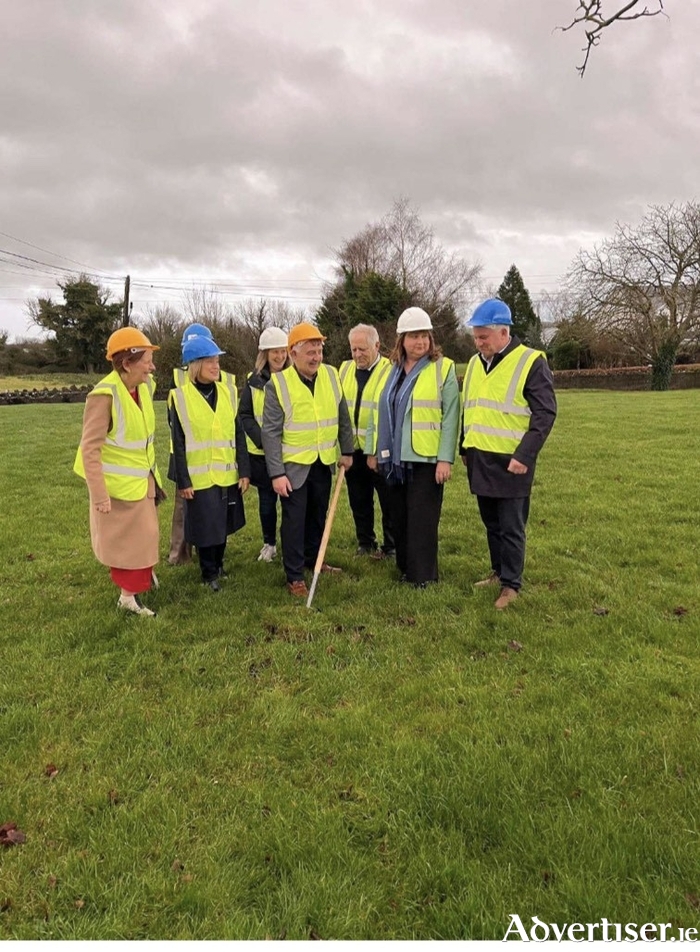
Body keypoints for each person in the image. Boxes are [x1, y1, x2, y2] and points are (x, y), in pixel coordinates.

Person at [460, 298, 557, 610]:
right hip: (480, 457)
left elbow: (545, 414)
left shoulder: (531, 362)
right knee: (491, 523)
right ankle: (498, 571)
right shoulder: (476, 362)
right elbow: (470, 407)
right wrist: (465, 445)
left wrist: (525, 455)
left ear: (504, 332)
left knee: (511, 525)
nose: (478, 343)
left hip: (513, 461)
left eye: (483, 337)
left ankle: (511, 585)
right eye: (476, 337)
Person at [74, 327, 164, 617]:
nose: (152, 367)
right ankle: (128, 597)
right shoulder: (103, 395)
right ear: (127, 363)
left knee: (146, 538)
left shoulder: (144, 387)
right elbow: (90, 450)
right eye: (147, 360)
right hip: (117, 489)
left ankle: (140, 577)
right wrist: (99, 496)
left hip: (142, 480)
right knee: (129, 543)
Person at [367, 307, 459, 588]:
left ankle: (424, 576)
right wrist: (374, 450)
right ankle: (406, 568)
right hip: (394, 458)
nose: (420, 342)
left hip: (426, 457)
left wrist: (445, 459)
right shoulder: (390, 371)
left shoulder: (443, 368)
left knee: (422, 519)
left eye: (425, 336)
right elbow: (378, 409)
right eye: (414, 337)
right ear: (402, 340)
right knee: (399, 516)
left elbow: (451, 416)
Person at [261, 322, 354, 597]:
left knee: (317, 516)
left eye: (319, 351)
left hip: (322, 461)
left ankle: (315, 560)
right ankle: (295, 575)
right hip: (293, 468)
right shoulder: (278, 384)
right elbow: (270, 433)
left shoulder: (332, 376)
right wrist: (276, 474)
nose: (316, 357)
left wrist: (346, 451)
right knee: (294, 520)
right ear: (293, 353)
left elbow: (343, 418)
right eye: (310, 352)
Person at [169, 333, 250, 591]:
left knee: (223, 523)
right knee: (206, 527)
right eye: (210, 362)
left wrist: (244, 470)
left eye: (217, 361)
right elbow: (178, 444)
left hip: (226, 473)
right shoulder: (180, 398)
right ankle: (208, 573)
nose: (216, 366)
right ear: (195, 366)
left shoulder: (228, 392)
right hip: (199, 477)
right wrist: (183, 480)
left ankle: (219, 564)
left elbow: (238, 433)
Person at [339, 324, 395, 559]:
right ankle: (366, 542)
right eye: (353, 350)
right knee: (359, 499)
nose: (357, 355)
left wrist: (375, 451)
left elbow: (383, 415)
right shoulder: (343, 370)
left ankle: (391, 546)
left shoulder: (390, 370)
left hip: (379, 449)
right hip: (353, 449)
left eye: (362, 349)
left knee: (388, 500)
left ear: (377, 346)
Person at [238, 326, 290, 562]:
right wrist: (263, 440)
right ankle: (269, 543)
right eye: (274, 352)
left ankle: (292, 542)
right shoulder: (252, 381)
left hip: (289, 451)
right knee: (267, 503)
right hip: (260, 453)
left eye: (283, 351)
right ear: (265, 355)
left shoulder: (294, 377)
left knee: (292, 502)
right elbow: (245, 415)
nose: (279, 357)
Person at [166, 322, 215, 567]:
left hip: (213, 455)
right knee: (183, 508)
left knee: (206, 506)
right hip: (183, 455)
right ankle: (179, 554)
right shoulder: (178, 382)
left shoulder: (222, 379)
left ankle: (207, 550)